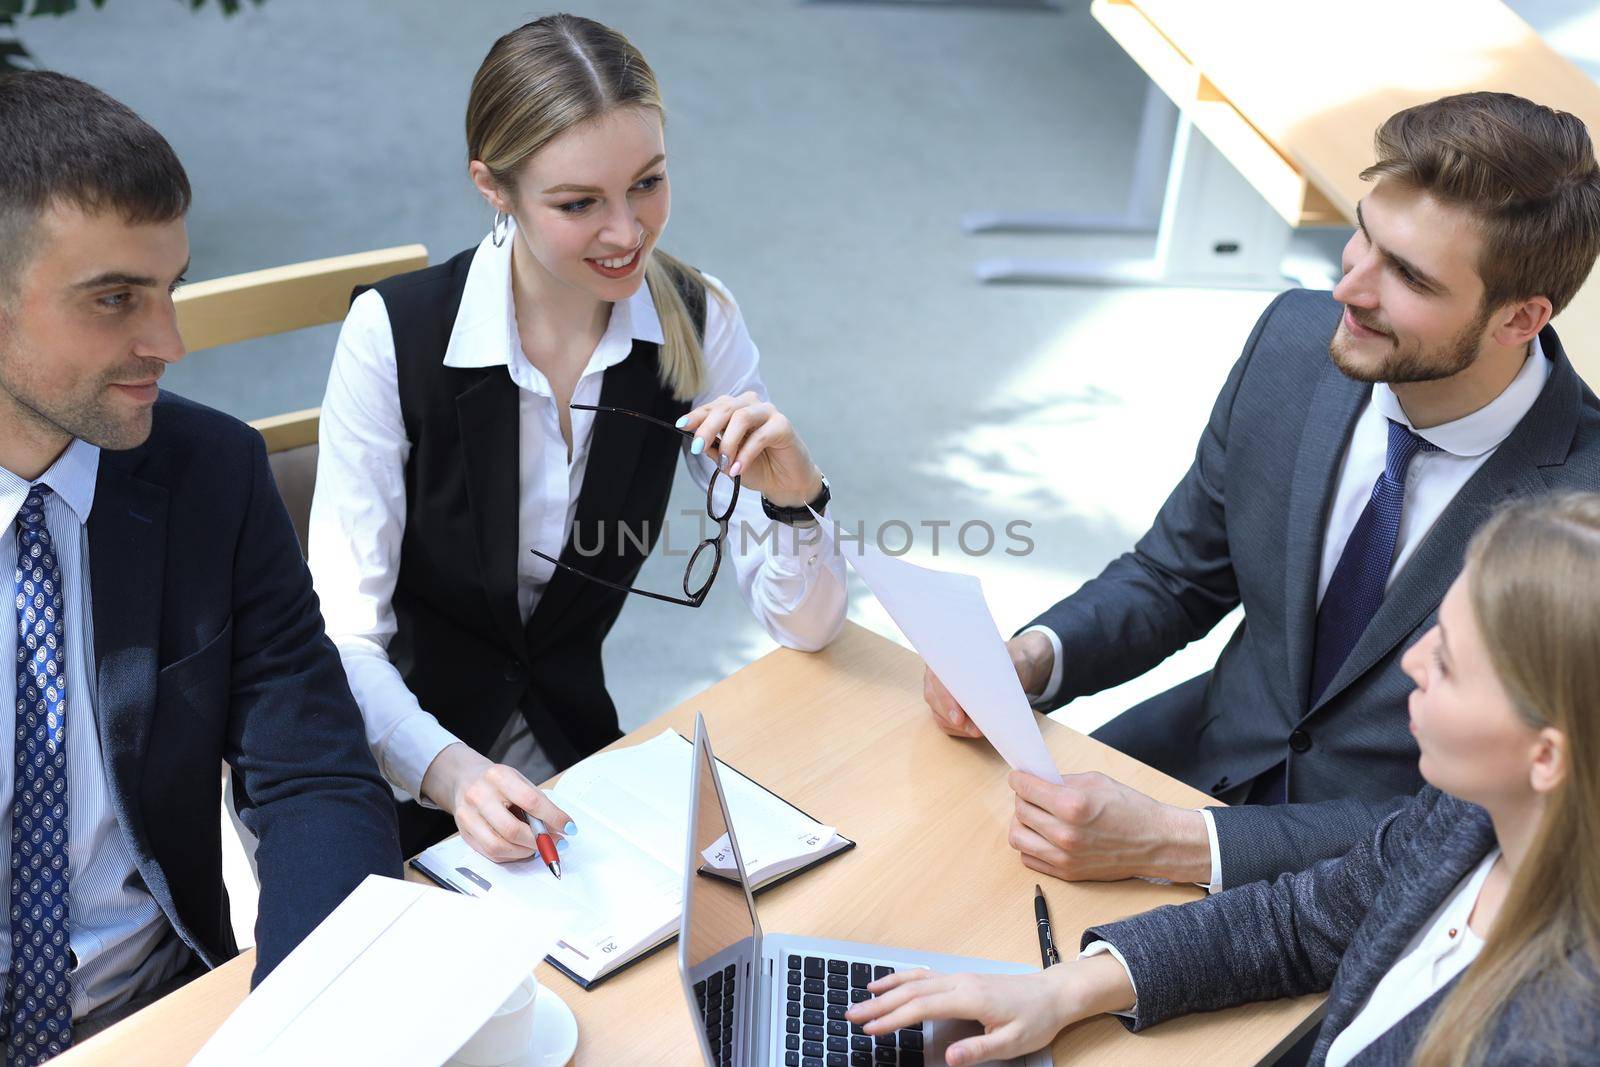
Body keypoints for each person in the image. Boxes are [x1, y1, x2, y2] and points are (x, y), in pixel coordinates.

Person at [924, 91, 1600, 892]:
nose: (1351, 286)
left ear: (1520, 320)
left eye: (1408, 275)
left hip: (1366, 885)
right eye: (1363, 235)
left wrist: (1182, 844)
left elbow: (1495, 818)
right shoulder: (1294, 341)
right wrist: (1033, 659)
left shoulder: (1581, 520)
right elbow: (1177, 575)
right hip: (1188, 761)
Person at [308, 14, 847, 859]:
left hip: (572, 761)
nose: (628, 232)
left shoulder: (698, 322)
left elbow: (807, 627)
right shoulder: (393, 336)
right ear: (495, 188)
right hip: (390, 767)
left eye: (648, 183)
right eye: (579, 203)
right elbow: (343, 636)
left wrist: (796, 503)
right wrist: (450, 771)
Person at [861, 493, 1600, 1066]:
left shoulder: (1561, 1030)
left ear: (1545, 755)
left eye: (1449, 664)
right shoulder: (1470, 817)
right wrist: (1058, 989)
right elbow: (1298, 920)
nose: (1413, 661)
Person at [0, 71, 402, 1059]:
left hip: (169, 1009)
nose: (169, 342)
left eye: (170, 287)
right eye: (114, 300)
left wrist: (291, 1022)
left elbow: (315, 777)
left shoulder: (210, 472)